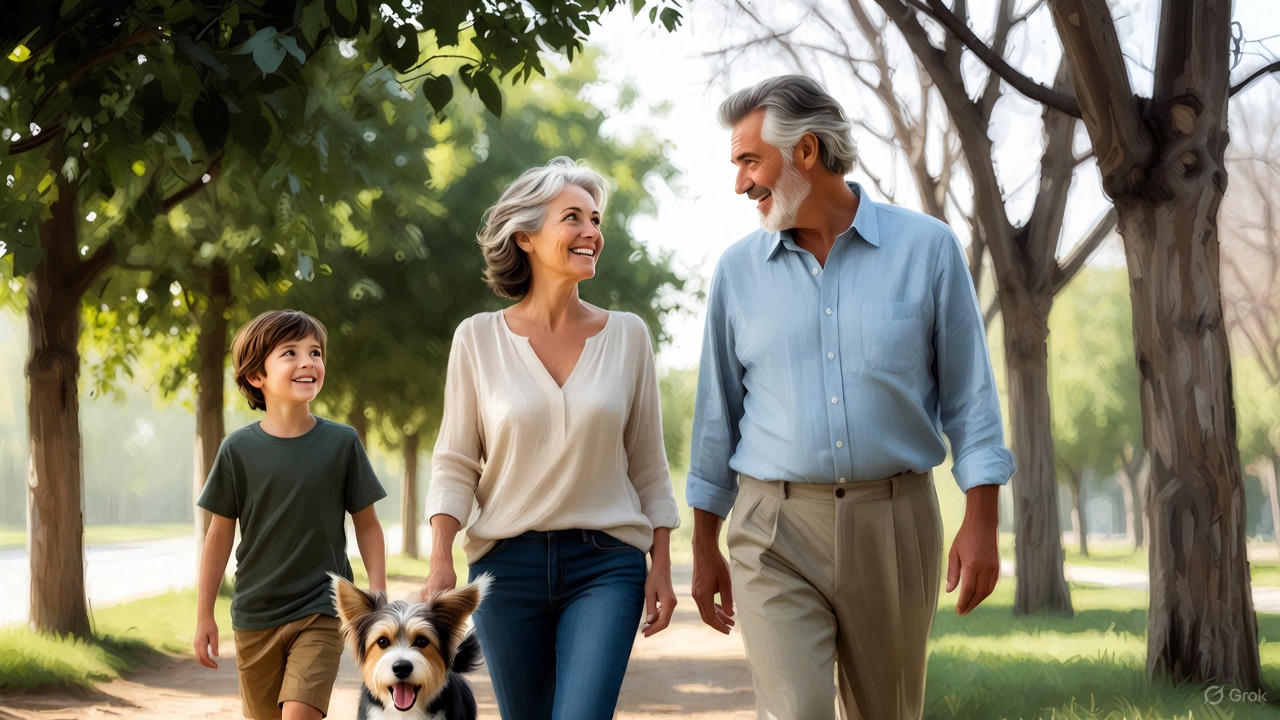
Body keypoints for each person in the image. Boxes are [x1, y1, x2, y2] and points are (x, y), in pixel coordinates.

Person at [687, 75, 1016, 720]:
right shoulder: (737, 271)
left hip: (894, 523)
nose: (740, 183)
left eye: (751, 161)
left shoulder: (927, 250)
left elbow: (970, 398)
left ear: (805, 152)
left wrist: (983, 518)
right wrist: (704, 545)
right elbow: (715, 418)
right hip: (772, 527)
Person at [422, 157, 681, 720]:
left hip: (606, 564)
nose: (592, 231)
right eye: (573, 218)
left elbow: (648, 467)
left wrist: (660, 560)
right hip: (504, 567)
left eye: (594, 218)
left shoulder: (629, 337)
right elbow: (455, 460)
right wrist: (442, 556)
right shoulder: (477, 339)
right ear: (527, 238)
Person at [193, 309, 387, 720]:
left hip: (321, 608)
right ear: (256, 376)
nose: (308, 362)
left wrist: (377, 593)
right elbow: (218, 537)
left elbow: (367, 525)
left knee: (300, 713)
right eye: (290, 353)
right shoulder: (237, 451)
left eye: (315, 352)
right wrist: (204, 613)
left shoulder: (342, 443)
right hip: (255, 615)